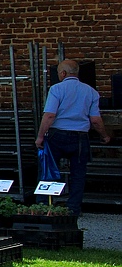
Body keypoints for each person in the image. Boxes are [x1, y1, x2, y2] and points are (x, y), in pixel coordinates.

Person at [36, 58, 111, 217]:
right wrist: (104, 135)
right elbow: (95, 120)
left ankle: (44, 206)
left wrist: (40, 137)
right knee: (78, 175)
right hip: (80, 137)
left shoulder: (56, 89)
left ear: (63, 73)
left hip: (57, 135)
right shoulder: (91, 91)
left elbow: (49, 116)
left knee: (48, 171)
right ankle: (73, 209)